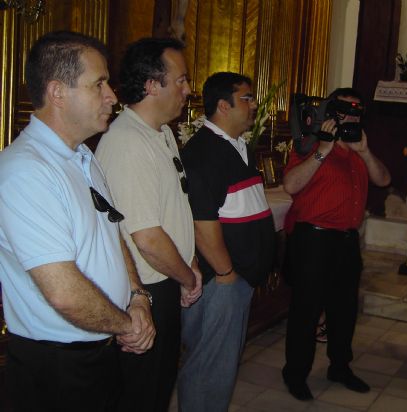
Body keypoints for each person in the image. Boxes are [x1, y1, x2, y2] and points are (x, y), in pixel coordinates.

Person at [0, 31, 155, 411]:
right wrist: (127, 325)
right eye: (99, 84)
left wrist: (137, 298)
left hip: (100, 346)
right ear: (57, 92)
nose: (112, 97)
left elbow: (112, 235)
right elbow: (64, 294)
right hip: (56, 366)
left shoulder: (83, 157)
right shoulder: (26, 170)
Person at [95, 37, 202, 412]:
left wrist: (187, 262)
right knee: (142, 395)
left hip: (166, 282)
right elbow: (147, 238)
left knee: (158, 389)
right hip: (146, 290)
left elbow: (170, 212)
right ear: (153, 85)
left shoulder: (160, 133)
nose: (188, 89)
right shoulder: (128, 141)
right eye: (182, 80)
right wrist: (187, 278)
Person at [281, 88, 391, 401]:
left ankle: (340, 367)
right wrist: (323, 150)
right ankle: (296, 373)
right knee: (306, 310)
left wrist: (366, 151)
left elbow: (384, 179)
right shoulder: (310, 142)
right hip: (313, 239)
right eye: (346, 112)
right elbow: (290, 184)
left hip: (346, 240)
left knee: (344, 310)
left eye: (358, 113)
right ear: (331, 113)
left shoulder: (359, 149)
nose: (352, 118)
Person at [178, 72, 276, 411]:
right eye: (247, 98)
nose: (253, 105)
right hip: (221, 282)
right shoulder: (205, 151)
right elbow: (202, 224)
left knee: (222, 365)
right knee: (209, 366)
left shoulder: (238, 145)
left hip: (237, 278)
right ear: (223, 105)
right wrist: (226, 273)